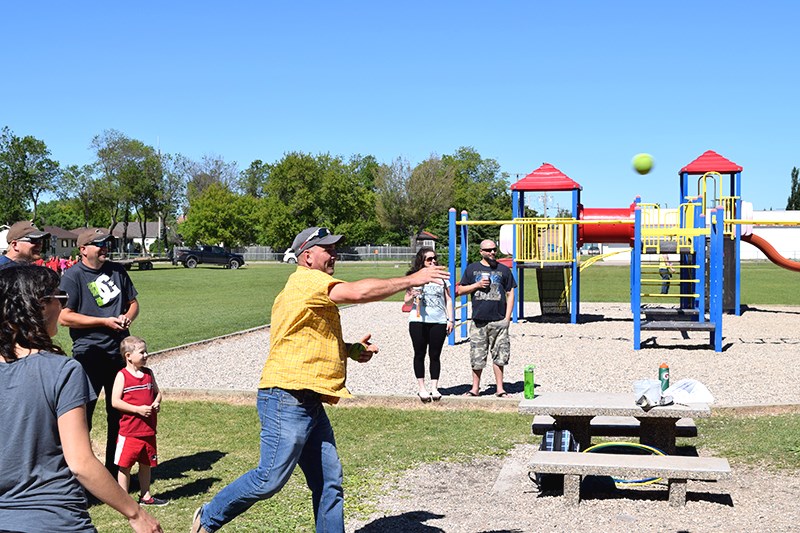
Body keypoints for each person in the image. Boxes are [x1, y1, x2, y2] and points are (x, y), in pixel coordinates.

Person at [190, 226, 449, 533]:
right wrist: (410, 279)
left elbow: (308, 339)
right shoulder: (306, 280)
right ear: (308, 256)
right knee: (269, 478)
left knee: (329, 483)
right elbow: (357, 293)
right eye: (328, 249)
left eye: (335, 249)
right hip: (285, 397)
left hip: (309, 400)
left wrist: (351, 350)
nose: (334, 255)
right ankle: (208, 518)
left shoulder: (305, 289)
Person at [0, 266, 162, 532]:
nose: (63, 307)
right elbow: (81, 462)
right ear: (40, 306)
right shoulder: (62, 370)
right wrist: (135, 514)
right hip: (57, 518)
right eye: (60, 299)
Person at [60, 228, 140, 475]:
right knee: (83, 417)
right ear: (83, 249)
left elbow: (133, 303)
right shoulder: (72, 277)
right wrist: (103, 321)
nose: (104, 247)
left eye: (106, 243)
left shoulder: (117, 271)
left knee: (119, 416)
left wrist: (127, 317)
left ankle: (116, 472)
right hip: (89, 355)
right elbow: (64, 317)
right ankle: (82, 475)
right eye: (98, 244)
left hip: (119, 353)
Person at [456, 239, 517, 397]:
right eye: (488, 250)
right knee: (477, 356)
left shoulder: (504, 270)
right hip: (478, 321)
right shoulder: (472, 269)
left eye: (494, 249)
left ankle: (500, 389)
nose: (492, 252)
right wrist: (476, 285)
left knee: (500, 356)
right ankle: (475, 389)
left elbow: (510, 293)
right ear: (481, 252)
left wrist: (507, 318)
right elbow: (460, 290)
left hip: (498, 319)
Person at [111, 336, 167, 507]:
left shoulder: (149, 374)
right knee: (124, 466)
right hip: (130, 432)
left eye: (146, 351)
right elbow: (115, 401)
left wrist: (156, 402)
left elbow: (157, 392)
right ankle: (124, 499)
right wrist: (137, 409)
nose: (146, 355)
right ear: (128, 356)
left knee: (146, 464)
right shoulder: (122, 376)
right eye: (142, 352)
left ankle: (146, 496)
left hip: (148, 430)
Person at [404, 247, 453, 402]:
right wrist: (412, 295)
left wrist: (450, 319)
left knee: (435, 355)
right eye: (428, 259)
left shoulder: (443, 277)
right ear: (422, 261)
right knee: (419, 354)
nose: (432, 261)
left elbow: (449, 299)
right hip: (418, 321)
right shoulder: (414, 277)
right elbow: (406, 301)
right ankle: (422, 388)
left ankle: (434, 388)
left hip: (438, 321)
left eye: (434, 258)